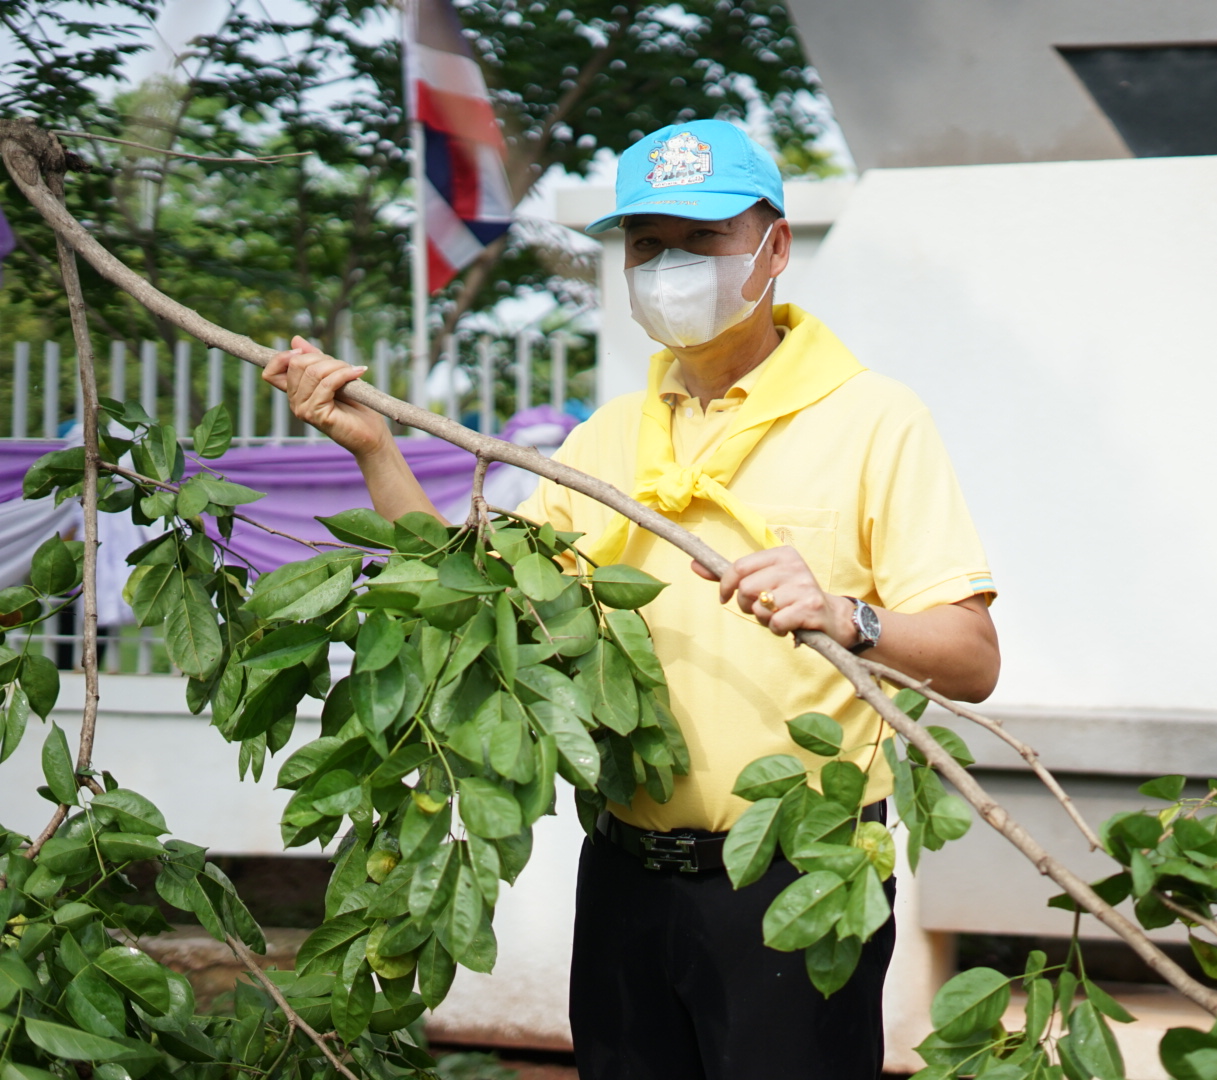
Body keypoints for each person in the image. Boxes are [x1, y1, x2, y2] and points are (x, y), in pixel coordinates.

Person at [263, 118, 1000, 1080]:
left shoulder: (874, 421)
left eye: (705, 242)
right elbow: (481, 597)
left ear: (773, 248)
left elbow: (973, 657)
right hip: (623, 874)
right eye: (648, 247)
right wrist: (374, 449)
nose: (672, 269)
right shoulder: (607, 440)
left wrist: (846, 616)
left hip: (798, 873)